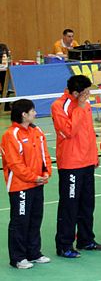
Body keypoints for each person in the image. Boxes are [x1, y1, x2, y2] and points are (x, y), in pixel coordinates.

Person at [52, 75, 101, 258]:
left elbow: (88, 132)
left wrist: (93, 156)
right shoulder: (60, 106)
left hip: (87, 162)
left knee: (87, 204)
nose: (89, 95)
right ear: (76, 93)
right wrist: (79, 108)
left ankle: (86, 239)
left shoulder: (85, 104)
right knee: (69, 206)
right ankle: (64, 245)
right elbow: (68, 132)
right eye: (85, 92)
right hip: (71, 164)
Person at [3, 99, 51, 269]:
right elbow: (15, 164)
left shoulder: (36, 130)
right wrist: (33, 177)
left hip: (37, 184)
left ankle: (34, 252)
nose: (35, 113)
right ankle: (18, 258)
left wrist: (46, 173)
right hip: (20, 186)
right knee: (20, 221)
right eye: (32, 111)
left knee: (35, 219)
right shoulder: (11, 135)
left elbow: (45, 154)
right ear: (24, 114)